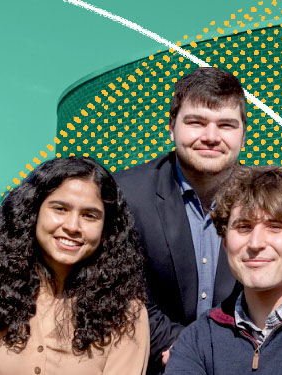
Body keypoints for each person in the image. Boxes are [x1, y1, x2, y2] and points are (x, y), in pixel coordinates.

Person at [0, 156, 149, 374]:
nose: (73, 226)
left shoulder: (126, 313)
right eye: (60, 209)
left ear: (106, 232)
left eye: (89, 216)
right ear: (33, 214)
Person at [115, 66, 245, 373]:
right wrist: (193, 351)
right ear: (172, 126)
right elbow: (123, 297)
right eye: (196, 122)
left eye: (226, 125)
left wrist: (218, 350)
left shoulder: (263, 200)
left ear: (243, 132)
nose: (211, 137)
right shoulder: (127, 195)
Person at [164, 166, 282, 374]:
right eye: (244, 227)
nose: (255, 243)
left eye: (275, 226)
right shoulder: (199, 339)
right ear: (225, 242)